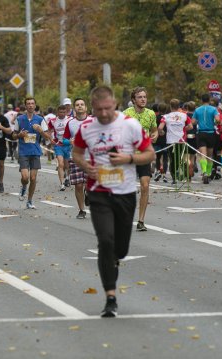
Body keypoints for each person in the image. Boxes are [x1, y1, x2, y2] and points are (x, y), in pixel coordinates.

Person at [72, 85, 155, 317]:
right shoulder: (87, 127)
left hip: (125, 193)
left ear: (115, 104)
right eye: (99, 110)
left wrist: (128, 158)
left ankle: (113, 261)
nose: (104, 114)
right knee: (105, 241)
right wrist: (84, 165)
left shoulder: (130, 125)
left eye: (108, 108)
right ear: (93, 108)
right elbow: (76, 153)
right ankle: (110, 296)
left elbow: (150, 153)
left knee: (120, 248)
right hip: (98, 193)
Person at [123, 87, 158, 231]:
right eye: (140, 97)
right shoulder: (126, 114)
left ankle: (141, 220)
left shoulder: (150, 114)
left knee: (145, 185)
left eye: (145, 97)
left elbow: (154, 130)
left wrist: (155, 135)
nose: (143, 99)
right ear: (133, 100)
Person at [13, 97, 48, 209]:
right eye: (28, 104)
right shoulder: (20, 119)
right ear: (25, 106)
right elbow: (13, 135)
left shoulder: (40, 119)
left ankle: (29, 200)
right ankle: (23, 187)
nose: (30, 105)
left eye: (32, 103)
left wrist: (40, 130)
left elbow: (48, 137)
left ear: (35, 105)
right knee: (25, 177)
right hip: (23, 151)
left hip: (35, 151)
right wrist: (19, 135)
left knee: (33, 178)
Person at [158, 99, 192, 184]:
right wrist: (184, 129)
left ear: (170, 106)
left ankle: (174, 178)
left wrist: (162, 133)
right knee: (180, 157)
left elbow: (159, 128)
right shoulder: (184, 115)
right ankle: (181, 170)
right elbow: (191, 126)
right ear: (179, 106)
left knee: (172, 159)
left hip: (170, 141)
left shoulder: (166, 116)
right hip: (181, 140)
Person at [67, 98, 89, 219]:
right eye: (77, 105)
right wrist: (69, 141)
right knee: (78, 185)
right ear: (74, 108)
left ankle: (89, 194)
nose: (80, 106)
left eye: (82, 104)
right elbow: (64, 138)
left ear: (86, 108)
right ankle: (81, 210)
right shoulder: (70, 123)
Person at [193, 94, 222, 184]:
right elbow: (218, 120)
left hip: (201, 133)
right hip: (210, 133)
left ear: (201, 100)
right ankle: (208, 173)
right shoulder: (213, 109)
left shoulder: (197, 110)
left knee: (203, 155)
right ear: (209, 100)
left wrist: (199, 121)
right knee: (209, 156)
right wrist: (215, 122)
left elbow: (193, 122)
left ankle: (204, 172)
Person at [48, 101, 72, 191]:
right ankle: (62, 184)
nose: (62, 114)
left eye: (63, 112)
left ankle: (67, 178)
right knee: (61, 164)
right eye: (60, 112)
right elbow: (49, 130)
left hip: (68, 145)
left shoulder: (70, 119)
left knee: (67, 165)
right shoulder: (53, 121)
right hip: (58, 145)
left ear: (66, 112)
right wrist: (51, 139)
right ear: (57, 112)